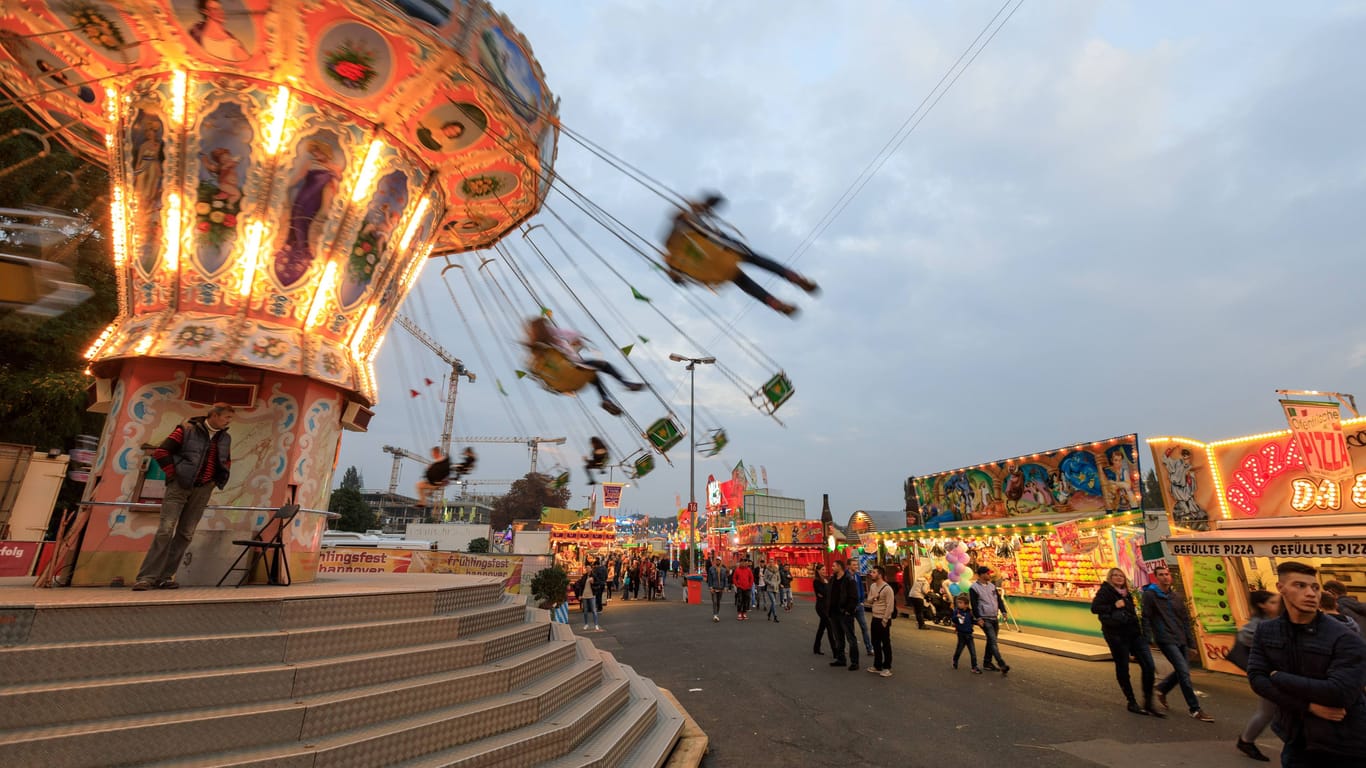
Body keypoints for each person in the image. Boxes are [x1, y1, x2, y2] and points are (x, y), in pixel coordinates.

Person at [1247, 561, 1366, 766]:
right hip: (1295, 739)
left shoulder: (1345, 637)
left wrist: (1278, 677)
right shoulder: (1267, 631)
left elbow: (1339, 692)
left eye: (1315, 587)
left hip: (1343, 743)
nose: (1311, 593)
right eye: (1300, 585)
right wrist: (1309, 706)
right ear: (1280, 588)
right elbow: (1257, 679)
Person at [667, 193, 819, 316]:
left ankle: (775, 303)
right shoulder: (688, 219)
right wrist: (707, 204)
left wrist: (676, 274)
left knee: (742, 281)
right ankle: (795, 278)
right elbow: (704, 206)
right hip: (725, 247)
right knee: (756, 260)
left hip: (716, 264)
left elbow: (673, 263)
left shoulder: (676, 239)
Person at [134, 404, 234, 590]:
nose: (228, 421)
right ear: (213, 415)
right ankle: (147, 576)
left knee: (186, 533)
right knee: (166, 529)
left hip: (203, 488)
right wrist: (173, 475)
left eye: (230, 418)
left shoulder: (225, 438)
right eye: (226, 417)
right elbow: (162, 452)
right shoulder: (186, 429)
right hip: (179, 486)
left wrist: (216, 480)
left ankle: (165, 576)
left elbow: (225, 460)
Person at [525, 316, 643, 415]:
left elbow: (536, 373)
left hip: (561, 385)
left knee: (593, 374)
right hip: (573, 369)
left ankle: (606, 399)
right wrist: (577, 339)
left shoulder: (534, 354)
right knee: (603, 365)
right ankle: (625, 383)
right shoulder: (551, 333)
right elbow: (572, 335)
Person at [1143, 564, 1214, 722]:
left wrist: (1191, 644)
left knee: (1183, 671)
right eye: (1161, 574)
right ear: (1156, 577)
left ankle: (1162, 689)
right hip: (1165, 638)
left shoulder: (1176, 597)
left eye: (1167, 574)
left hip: (1180, 637)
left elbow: (1185, 620)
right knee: (1183, 671)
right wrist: (1148, 639)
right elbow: (1146, 617)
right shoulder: (1150, 595)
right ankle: (1195, 709)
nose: (1165, 577)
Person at [1091, 567, 1160, 717]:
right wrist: (1113, 606)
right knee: (1123, 668)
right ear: (1110, 578)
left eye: (1121, 575)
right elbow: (1095, 608)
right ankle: (1131, 701)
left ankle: (1148, 702)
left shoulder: (1127, 593)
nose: (1118, 578)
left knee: (1149, 665)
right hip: (1116, 635)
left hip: (1134, 633)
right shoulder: (1105, 591)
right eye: (1115, 575)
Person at [1233, 590, 1280, 762]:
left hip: (1278, 675)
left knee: (1269, 712)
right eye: (1273, 602)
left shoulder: (1274, 621)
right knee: (1267, 712)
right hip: (1268, 676)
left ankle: (1246, 740)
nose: (1277, 605)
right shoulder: (1256, 626)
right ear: (1262, 605)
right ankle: (1246, 740)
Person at [969, 566, 1011, 676]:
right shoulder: (974, 588)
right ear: (981, 575)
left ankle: (987, 663)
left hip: (993, 617)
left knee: (991, 640)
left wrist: (1003, 611)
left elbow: (998, 599)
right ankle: (1001, 664)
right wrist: (978, 618)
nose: (989, 575)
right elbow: (974, 605)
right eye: (987, 573)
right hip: (984, 618)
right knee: (993, 641)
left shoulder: (992, 586)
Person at [828, 559, 860, 672]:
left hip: (845, 614)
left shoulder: (848, 580)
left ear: (840, 567)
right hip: (834, 613)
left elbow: (853, 597)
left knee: (850, 637)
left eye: (834, 566)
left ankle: (854, 662)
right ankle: (841, 659)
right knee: (838, 637)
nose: (832, 568)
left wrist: (848, 610)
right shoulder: (832, 579)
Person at [864, 565, 895, 677]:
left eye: (874, 572)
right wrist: (874, 597)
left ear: (880, 575)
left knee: (885, 643)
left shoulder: (887, 588)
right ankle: (877, 665)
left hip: (883, 619)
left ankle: (887, 667)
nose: (871, 574)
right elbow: (869, 600)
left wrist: (885, 620)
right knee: (875, 642)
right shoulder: (872, 586)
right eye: (871, 572)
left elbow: (890, 606)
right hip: (875, 617)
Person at [951, 594, 981, 673]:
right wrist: (957, 617)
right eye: (958, 603)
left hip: (969, 634)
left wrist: (978, 622)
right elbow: (953, 620)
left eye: (961, 603)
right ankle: (955, 660)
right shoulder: (956, 611)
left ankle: (974, 667)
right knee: (959, 649)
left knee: (973, 652)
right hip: (961, 634)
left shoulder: (970, 612)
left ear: (966, 605)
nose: (959, 604)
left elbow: (972, 621)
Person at [849, 563, 874, 656]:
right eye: (854, 565)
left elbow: (860, 587)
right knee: (850, 629)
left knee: (864, 627)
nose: (856, 566)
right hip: (850, 606)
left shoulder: (857, 576)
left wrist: (862, 600)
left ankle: (869, 648)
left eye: (856, 565)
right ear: (849, 566)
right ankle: (852, 649)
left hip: (859, 605)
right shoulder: (846, 577)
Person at [812, 563, 833, 655]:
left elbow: (829, 593)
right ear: (818, 571)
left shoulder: (826, 580)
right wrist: (826, 587)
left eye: (825, 569)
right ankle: (835, 650)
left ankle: (816, 647)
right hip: (821, 607)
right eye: (822, 570)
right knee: (829, 627)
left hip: (827, 606)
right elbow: (823, 593)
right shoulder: (817, 581)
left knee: (821, 628)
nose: (824, 571)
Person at [706, 558, 728, 622]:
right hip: (714, 587)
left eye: (719, 560)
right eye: (716, 560)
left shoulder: (723, 569)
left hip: (720, 588)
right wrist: (710, 587)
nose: (717, 561)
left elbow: (725, 579)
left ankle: (717, 614)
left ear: (721, 561)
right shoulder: (711, 569)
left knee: (718, 602)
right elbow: (709, 579)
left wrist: (726, 587)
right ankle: (715, 615)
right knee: (714, 601)